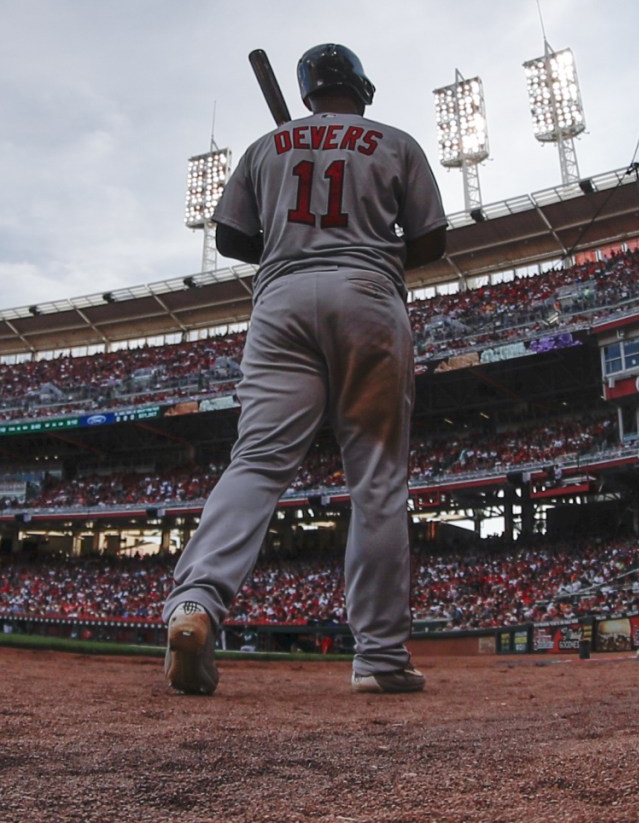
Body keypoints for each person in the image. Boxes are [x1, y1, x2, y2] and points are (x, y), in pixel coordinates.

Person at [162, 43, 447, 695]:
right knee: (376, 480)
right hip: (369, 295)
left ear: (310, 92)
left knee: (257, 460)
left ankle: (195, 604)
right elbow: (431, 239)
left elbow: (232, 236)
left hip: (282, 298)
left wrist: (295, 238)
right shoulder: (394, 141)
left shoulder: (269, 147)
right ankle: (378, 657)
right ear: (362, 89)